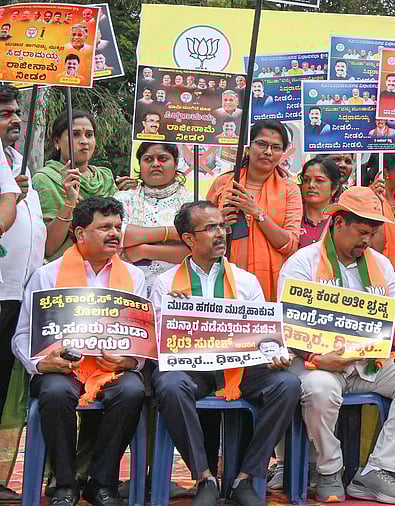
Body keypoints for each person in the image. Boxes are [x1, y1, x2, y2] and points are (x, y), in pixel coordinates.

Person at [278, 186, 395, 504]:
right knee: (320, 388)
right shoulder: (301, 263)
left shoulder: (380, 264)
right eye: (362, 232)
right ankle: (330, 470)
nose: (366, 240)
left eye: (372, 233)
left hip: (367, 363)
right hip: (318, 363)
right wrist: (317, 357)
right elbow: (288, 325)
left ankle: (377, 470)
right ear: (338, 222)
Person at [150, 201, 299, 506]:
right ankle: (204, 476)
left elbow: (261, 336)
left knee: (288, 384)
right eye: (210, 228)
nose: (221, 234)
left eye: (222, 226)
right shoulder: (165, 285)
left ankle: (246, 477)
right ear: (189, 239)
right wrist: (175, 313)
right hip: (194, 371)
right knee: (168, 383)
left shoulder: (246, 281)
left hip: (241, 371)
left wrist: (275, 353)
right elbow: (159, 343)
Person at [12, 197, 147, 506]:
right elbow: (22, 335)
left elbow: (141, 335)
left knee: (132, 391)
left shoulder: (134, 277)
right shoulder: (47, 275)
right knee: (56, 393)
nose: (114, 233)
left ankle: (100, 483)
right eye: (104, 227)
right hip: (62, 369)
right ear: (80, 234)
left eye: (117, 227)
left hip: (113, 368)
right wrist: (40, 364)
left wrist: (131, 360)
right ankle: (64, 483)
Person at [207, 119, 303, 301]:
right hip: (222, 275)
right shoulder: (224, 183)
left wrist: (257, 213)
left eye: (276, 147)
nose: (268, 152)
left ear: (283, 153)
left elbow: (290, 245)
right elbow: (201, 231)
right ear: (248, 147)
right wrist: (220, 224)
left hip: (269, 281)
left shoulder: (290, 189)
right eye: (261, 144)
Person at [0, 85, 39, 504]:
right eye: (4, 114)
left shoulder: (14, 163)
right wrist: (10, 196)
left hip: (16, 293)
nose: (14, 120)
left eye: (15, 112)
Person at [34, 110, 117, 261]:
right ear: (57, 141)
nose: (84, 141)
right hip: (64, 267)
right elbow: (48, 247)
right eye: (75, 134)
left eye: (89, 135)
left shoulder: (105, 177)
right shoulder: (46, 179)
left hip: (107, 265)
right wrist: (69, 204)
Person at [114, 142, 191, 295]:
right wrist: (171, 233)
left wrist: (143, 250)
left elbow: (196, 250)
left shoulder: (191, 202)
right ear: (140, 165)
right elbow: (118, 236)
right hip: (129, 289)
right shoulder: (123, 198)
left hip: (179, 292)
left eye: (163, 158)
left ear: (175, 164)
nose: (156, 164)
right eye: (148, 159)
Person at [297, 156, 341, 248]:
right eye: (306, 180)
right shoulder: (292, 215)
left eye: (319, 180)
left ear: (334, 188)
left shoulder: (341, 219)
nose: (311, 185)